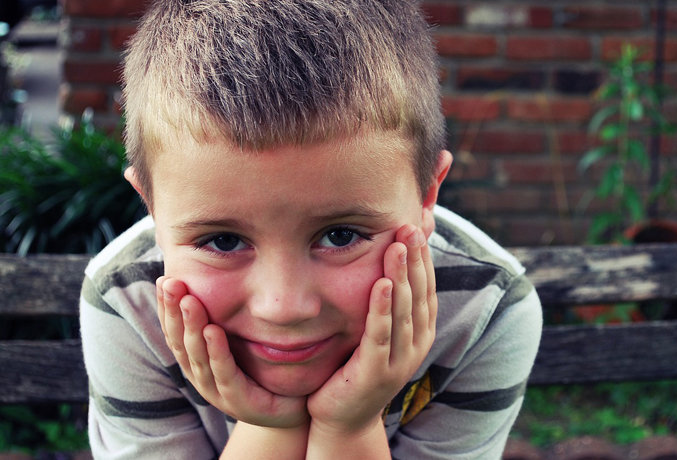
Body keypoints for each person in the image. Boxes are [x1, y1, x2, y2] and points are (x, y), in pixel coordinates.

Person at [79, 0, 543, 458]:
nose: (284, 308)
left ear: (426, 197)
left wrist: (349, 427)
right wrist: (272, 428)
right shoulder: (127, 304)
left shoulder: (485, 310)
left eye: (341, 235)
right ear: (152, 209)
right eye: (222, 241)